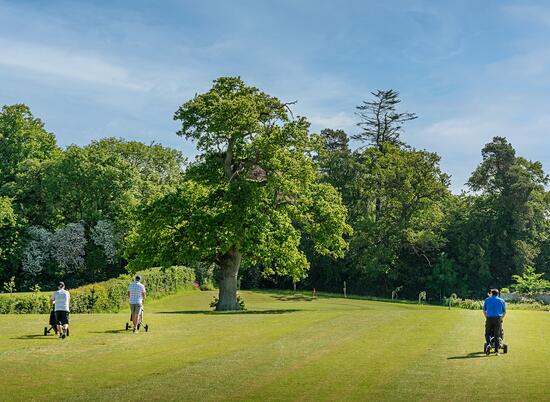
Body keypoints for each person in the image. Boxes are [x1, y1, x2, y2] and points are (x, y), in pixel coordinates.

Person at [483, 288, 506, 355]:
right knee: (497, 334)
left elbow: (484, 310)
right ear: (498, 294)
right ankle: (496, 351)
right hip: (498, 318)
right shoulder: (501, 300)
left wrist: (487, 317)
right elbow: (504, 312)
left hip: (489, 318)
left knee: (487, 333)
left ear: (491, 293)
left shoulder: (487, 300)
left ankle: (488, 344)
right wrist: (501, 319)